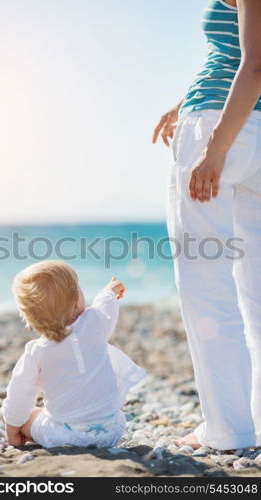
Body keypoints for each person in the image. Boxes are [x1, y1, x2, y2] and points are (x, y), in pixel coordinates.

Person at [153, 0, 261, 450]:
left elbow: (254, 65)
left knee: (206, 286)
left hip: (222, 127)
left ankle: (229, 432)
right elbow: (238, 54)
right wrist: (182, 101)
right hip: (254, 130)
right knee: (256, 291)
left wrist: (214, 148)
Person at [0, 260, 146, 448]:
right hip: (112, 430)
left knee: (28, 416)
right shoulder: (96, 323)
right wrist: (110, 290)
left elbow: (19, 396)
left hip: (63, 436)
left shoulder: (37, 352)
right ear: (77, 302)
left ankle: (25, 431)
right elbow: (105, 307)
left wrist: (12, 431)